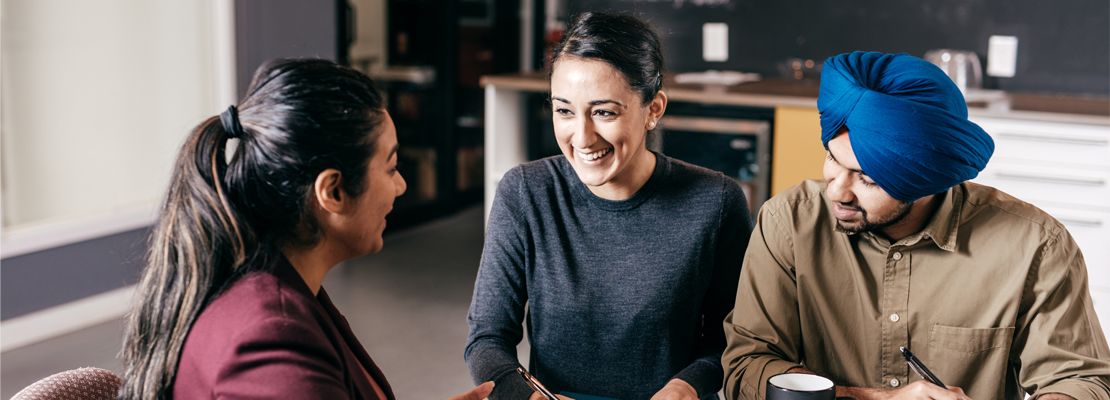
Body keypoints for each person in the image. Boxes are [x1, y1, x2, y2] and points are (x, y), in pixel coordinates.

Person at [721, 51, 1110, 400]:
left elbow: (1080, 381)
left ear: (926, 180)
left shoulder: (1034, 244)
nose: (837, 191)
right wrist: (874, 399)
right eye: (832, 159)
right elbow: (748, 368)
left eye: (868, 179)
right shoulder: (788, 221)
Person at [118, 59, 493, 400]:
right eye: (391, 168)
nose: (401, 186)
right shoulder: (270, 342)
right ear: (331, 191)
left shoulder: (277, 282)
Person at [465, 12, 753, 400]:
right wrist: (528, 398)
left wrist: (686, 387)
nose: (582, 137)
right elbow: (487, 337)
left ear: (653, 109)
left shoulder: (716, 202)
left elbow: (731, 340)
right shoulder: (525, 193)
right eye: (564, 110)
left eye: (604, 112)